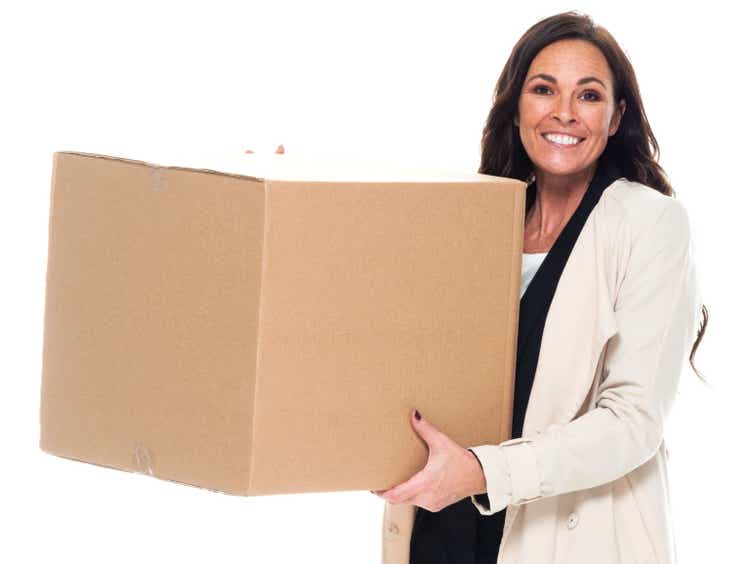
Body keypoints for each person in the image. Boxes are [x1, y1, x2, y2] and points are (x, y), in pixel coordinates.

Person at [373, 11, 708, 564]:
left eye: (589, 95)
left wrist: (484, 472)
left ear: (617, 115)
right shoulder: (476, 221)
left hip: (565, 537)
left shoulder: (651, 224)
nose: (563, 113)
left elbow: (632, 421)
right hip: (443, 525)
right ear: (516, 106)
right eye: (543, 89)